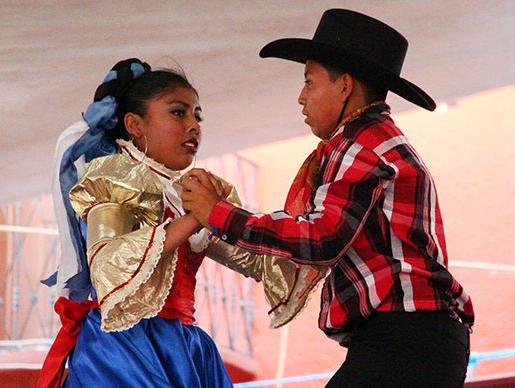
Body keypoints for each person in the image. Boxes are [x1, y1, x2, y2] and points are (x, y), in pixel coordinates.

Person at [181, 9, 474, 388]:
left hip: (405, 336)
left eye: (309, 81)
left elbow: (321, 237)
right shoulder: (374, 141)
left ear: (345, 87)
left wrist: (220, 215)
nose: (301, 97)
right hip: (418, 337)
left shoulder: (359, 146)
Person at [36, 58, 325, 388]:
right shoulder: (115, 176)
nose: (194, 125)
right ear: (134, 124)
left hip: (182, 348)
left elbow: (257, 260)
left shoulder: (192, 190)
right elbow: (107, 266)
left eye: (197, 115)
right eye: (178, 112)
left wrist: (316, 208)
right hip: (124, 350)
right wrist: (195, 218)